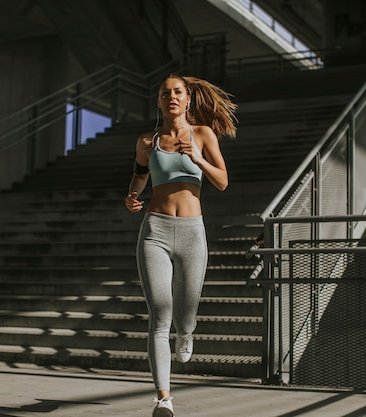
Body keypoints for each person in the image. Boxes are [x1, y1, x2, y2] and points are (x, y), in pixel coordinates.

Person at [125, 74, 237, 417]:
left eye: (177, 93)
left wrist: (198, 158)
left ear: (188, 100)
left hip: (192, 232)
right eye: (165, 94)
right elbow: (140, 175)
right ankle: (163, 399)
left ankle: (186, 333)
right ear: (159, 101)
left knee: (185, 313)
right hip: (155, 231)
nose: (171, 97)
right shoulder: (148, 140)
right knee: (160, 314)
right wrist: (132, 196)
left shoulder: (203, 134)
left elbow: (222, 182)